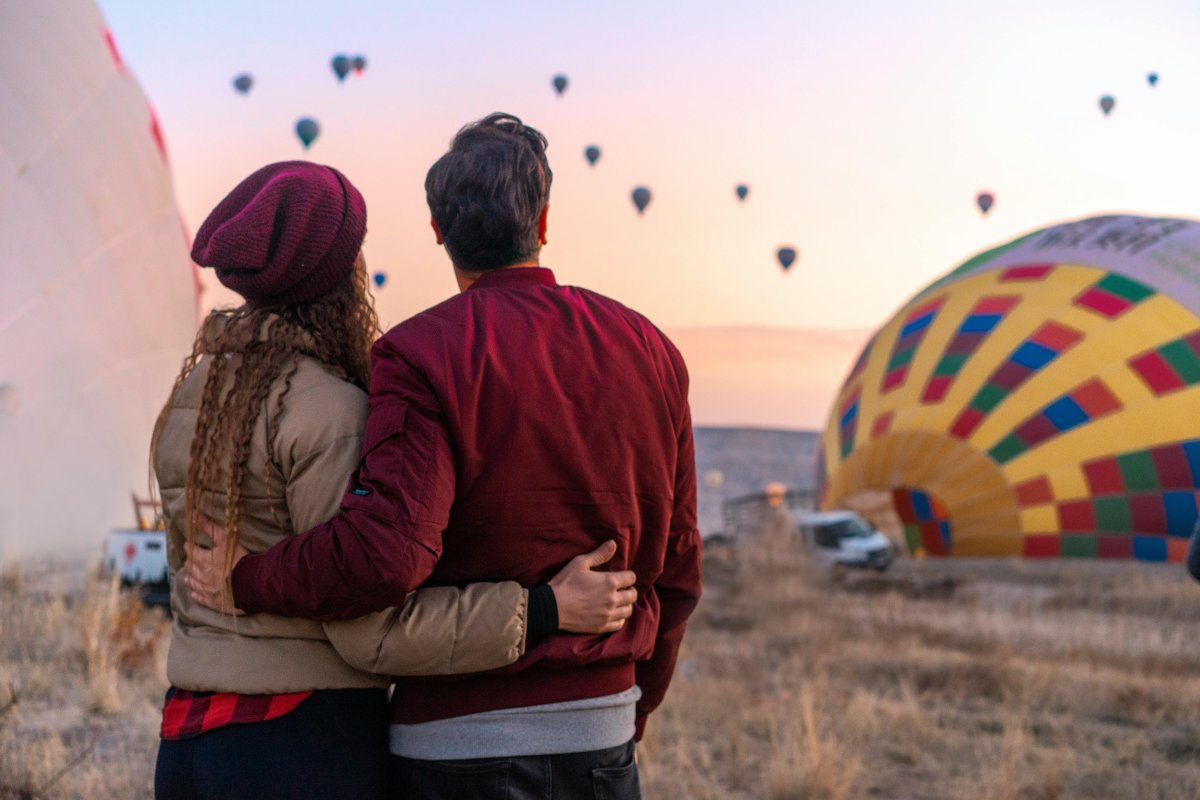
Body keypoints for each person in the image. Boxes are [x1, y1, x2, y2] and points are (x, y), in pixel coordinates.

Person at [188, 114, 703, 799]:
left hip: (456, 748)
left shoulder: (419, 354)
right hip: (600, 740)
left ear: (437, 231)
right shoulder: (651, 351)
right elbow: (680, 567)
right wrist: (632, 707)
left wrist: (246, 580)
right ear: (543, 221)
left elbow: (385, 556)